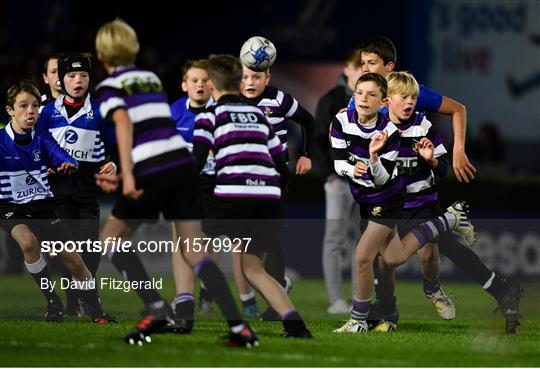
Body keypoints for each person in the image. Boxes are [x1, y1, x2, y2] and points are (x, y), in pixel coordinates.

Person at [94, 19, 258, 347]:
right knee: (195, 250)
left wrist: (126, 174)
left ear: (101, 54)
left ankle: (155, 307)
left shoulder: (108, 88)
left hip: (152, 168)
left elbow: (125, 124)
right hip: (182, 168)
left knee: (111, 239)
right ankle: (239, 327)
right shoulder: (150, 78)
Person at [374, 72, 523, 334]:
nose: (410, 102)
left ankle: (397, 307)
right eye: (404, 97)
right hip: (393, 207)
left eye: (413, 98)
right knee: (393, 259)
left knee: (400, 258)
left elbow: (443, 169)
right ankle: (500, 287)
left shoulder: (423, 126)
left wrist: (431, 160)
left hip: (422, 204)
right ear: (387, 101)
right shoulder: (376, 128)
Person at [331, 73, 474, 333]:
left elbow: (384, 178)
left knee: (364, 257)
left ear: (382, 101)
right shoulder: (342, 121)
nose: (365, 99)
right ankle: (449, 220)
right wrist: (353, 171)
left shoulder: (392, 131)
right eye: (360, 93)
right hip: (368, 199)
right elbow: (339, 162)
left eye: (371, 94)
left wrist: (374, 159)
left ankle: (359, 321)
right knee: (392, 258)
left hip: (390, 198)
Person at [193, 54, 312, 338]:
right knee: (253, 267)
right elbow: (281, 165)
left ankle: (230, 321)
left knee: (192, 248)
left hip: (233, 195)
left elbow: (198, 165)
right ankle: (295, 325)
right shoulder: (260, 116)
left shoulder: (209, 116)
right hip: (269, 197)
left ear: (211, 85)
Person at [0, 81, 111, 323]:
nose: (31, 111)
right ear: (10, 110)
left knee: (75, 262)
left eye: (35, 106)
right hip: (10, 207)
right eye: (24, 106)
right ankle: (52, 301)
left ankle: (96, 311)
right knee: (28, 242)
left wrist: (65, 162)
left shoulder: (42, 137)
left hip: (42, 205)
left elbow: (60, 154)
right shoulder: (0, 141)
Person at [37, 53, 117, 317]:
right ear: (61, 79)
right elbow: (35, 148)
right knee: (63, 251)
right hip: (57, 192)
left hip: (86, 192)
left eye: (83, 75)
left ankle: (83, 297)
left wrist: (114, 163)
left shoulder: (100, 111)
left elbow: (115, 145)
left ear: (90, 78)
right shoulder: (47, 112)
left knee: (90, 250)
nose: (77, 80)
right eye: (71, 76)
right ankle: (75, 299)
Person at [239, 64, 315, 319]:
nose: (250, 82)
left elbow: (308, 120)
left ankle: (275, 301)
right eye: (245, 76)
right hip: (240, 180)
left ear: (267, 78)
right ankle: (274, 289)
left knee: (269, 236)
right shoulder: (231, 100)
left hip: (273, 178)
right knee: (245, 239)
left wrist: (306, 155)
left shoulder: (279, 99)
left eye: (256, 77)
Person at [314, 49, 364, 314]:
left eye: (367, 66)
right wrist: (328, 175)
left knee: (363, 242)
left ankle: (360, 299)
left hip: (366, 182)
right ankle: (336, 300)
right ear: (347, 68)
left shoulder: (375, 98)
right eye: (359, 66)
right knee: (334, 239)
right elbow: (319, 140)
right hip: (339, 181)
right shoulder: (331, 100)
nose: (363, 71)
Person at [169, 59, 215, 324]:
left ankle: (206, 295)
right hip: (182, 188)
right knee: (180, 242)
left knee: (206, 243)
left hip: (212, 186)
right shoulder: (173, 112)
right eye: (194, 80)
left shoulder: (220, 112)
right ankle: (183, 296)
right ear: (184, 85)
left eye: (204, 80)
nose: (200, 85)